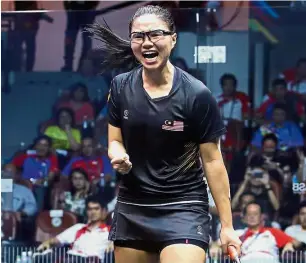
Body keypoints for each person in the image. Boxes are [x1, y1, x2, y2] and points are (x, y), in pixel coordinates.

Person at [89, 5, 241, 263]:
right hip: (133, 207)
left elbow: (213, 161)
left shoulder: (197, 95)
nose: (146, 42)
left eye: (155, 34)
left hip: (183, 208)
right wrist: (118, 155)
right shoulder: (120, 87)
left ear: (173, 38)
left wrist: (227, 227)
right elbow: (115, 140)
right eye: (138, 36)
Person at [37, 195, 113, 261]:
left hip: (91, 260)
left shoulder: (111, 231)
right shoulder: (78, 227)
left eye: (96, 209)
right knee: (41, 256)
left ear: (104, 212)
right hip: (71, 258)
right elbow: (56, 241)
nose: (92, 212)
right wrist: (48, 243)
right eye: (90, 209)